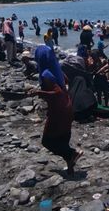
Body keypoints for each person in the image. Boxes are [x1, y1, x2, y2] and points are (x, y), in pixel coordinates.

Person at [33, 45, 83, 175]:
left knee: (47, 141)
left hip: (59, 110)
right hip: (67, 106)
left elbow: (57, 93)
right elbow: (66, 82)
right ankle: (70, 168)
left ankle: (73, 153)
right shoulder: (57, 70)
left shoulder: (45, 74)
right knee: (62, 140)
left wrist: (38, 92)